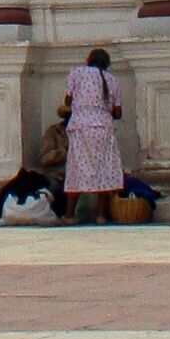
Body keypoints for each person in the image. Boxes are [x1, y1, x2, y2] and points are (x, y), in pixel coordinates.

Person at [61, 48, 126, 222]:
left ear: (88, 60)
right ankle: (101, 215)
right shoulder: (112, 80)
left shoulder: (77, 73)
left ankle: (69, 215)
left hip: (81, 128)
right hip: (103, 128)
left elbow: (67, 100)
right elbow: (118, 113)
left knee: (76, 170)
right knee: (104, 170)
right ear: (107, 64)